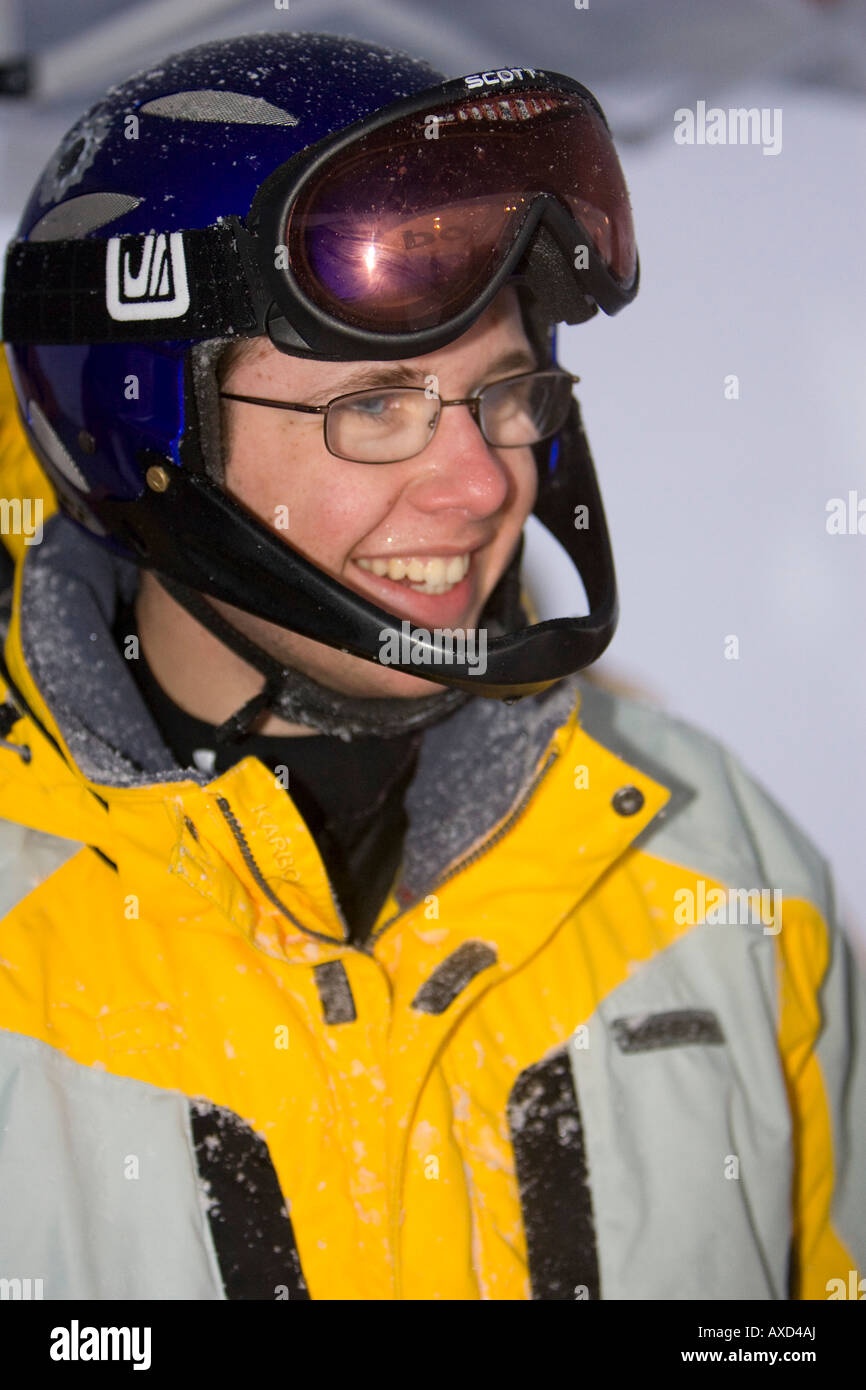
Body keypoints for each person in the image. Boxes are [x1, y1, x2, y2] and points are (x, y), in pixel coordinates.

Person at [0, 31, 862, 1302]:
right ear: (143, 429)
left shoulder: (721, 863)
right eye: (377, 408)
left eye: (507, 393)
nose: (481, 483)